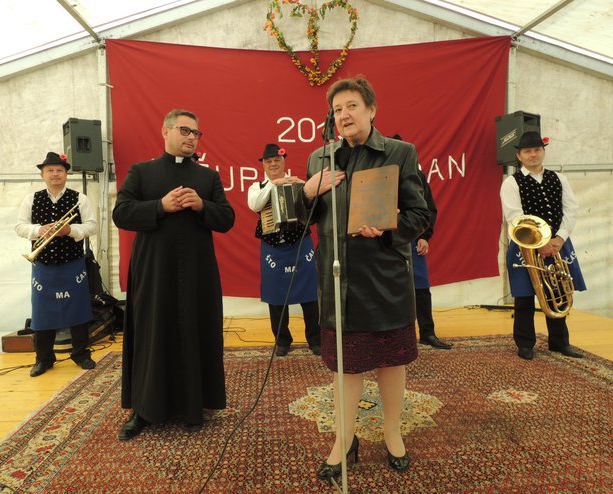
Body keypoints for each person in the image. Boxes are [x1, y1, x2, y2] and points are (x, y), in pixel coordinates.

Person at [300, 76, 431, 482]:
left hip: (386, 277)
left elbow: (420, 214)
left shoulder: (400, 153)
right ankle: (345, 439)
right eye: (337, 110)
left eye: (352, 106)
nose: (344, 115)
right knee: (347, 367)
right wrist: (308, 191)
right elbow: (302, 223)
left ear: (372, 110)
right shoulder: (320, 159)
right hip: (337, 280)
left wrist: (389, 231)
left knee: (391, 362)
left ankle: (392, 433)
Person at [112, 109, 235, 440]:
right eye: (185, 130)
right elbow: (120, 213)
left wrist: (201, 205)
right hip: (154, 273)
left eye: (196, 133)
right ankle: (144, 409)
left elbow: (226, 219)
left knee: (194, 331)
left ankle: (194, 405)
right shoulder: (141, 172)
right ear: (165, 131)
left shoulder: (207, 178)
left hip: (197, 274)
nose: (192, 137)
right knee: (154, 333)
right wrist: (160, 206)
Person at [500, 131, 586, 361]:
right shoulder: (511, 182)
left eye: (537, 150)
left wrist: (559, 238)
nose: (533, 154)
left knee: (557, 291)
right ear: (519, 156)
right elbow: (515, 217)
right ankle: (525, 344)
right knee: (525, 296)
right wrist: (539, 243)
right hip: (525, 247)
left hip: (558, 245)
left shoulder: (559, 178)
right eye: (528, 151)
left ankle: (559, 343)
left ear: (543, 152)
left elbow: (571, 209)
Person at [16, 151, 98, 377]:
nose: (55, 174)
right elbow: (20, 227)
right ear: (42, 174)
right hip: (42, 264)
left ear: (66, 174)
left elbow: (92, 226)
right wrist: (39, 230)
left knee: (79, 309)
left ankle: (81, 354)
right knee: (43, 312)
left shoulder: (80, 198)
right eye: (50, 170)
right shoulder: (31, 199)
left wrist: (70, 230)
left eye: (59, 170)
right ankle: (44, 358)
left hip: (72, 263)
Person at [247, 143, 321, 357]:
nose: (273, 164)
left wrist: (303, 186)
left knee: (309, 293)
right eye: (268, 161)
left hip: (300, 243)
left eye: (276, 160)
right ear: (263, 164)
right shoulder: (257, 187)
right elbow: (255, 205)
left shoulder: (297, 183)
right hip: (273, 247)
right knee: (276, 294)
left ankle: (315, 339)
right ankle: (282, 340)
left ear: (283, 162)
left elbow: (312, 205)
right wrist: (274, 184)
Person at [392, 135, 451, 349]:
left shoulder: (417, 177)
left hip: (412, 241)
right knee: (390, 292)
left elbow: (429, 209)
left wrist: (425, 236)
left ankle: (427, 332)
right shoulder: (379, 176)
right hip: (386, 243)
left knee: (421, 290)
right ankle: (394, 338)